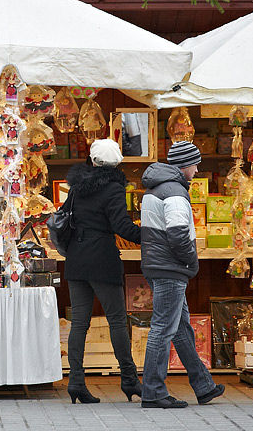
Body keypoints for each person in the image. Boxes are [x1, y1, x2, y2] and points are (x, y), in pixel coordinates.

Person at [139, 141, 224, 408]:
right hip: (170, 267)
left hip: (158, 264)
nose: (197, 170)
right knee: (164, 329)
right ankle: (153, 392)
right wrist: (191, 262)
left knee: (180, 329)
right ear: (185, 165)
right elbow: (177, 232)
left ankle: (203, 385)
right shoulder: (175, 192)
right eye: (195, 164)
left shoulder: (155, 188)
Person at [63, 139, 144, 404]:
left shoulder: (77, 187)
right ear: (117, 163)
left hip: (76, 258)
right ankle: (130, 380)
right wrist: (151, 235)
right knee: (117, 321)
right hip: (102, 259)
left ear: (93, 160)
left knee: (80, 324)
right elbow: (122, 226)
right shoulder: (113, 188)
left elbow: (65, 217)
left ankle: (76, 382)